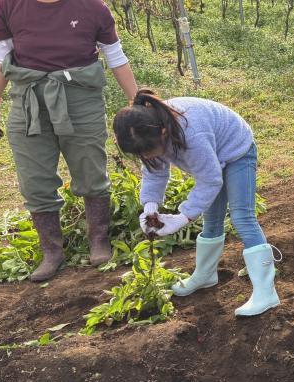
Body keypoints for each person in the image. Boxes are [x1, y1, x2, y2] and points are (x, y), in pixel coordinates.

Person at [0, 0, 138, 282]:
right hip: (28, 102)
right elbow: (0, 58)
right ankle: (51, 250)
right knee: (34, 177)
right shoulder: (8, 5)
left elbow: (115, 57)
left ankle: (98, 239)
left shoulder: (91, 8)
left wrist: (138, 100)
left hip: (79, 100)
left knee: (89, 168)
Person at [113, 90, 279, 317]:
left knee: (242, 217)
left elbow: (210, 180)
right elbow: (154, 173)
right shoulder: (147, 132)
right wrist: (150, 206)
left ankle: (266, 292)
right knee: (211, 221)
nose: (148, 157)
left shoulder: (192, 134)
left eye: (149, 152)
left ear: (163, 133)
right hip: (211, 157)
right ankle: (205, 275)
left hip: (236, 149)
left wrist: (183, 217)